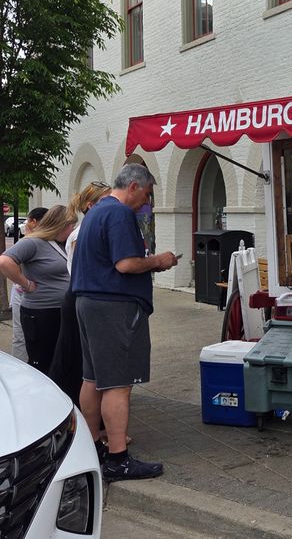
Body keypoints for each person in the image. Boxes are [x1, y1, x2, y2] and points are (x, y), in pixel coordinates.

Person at [72, 164, 178, 482]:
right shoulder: (119, 214)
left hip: (88, 302)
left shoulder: (95, 212)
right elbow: (126, 263)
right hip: (113, 306)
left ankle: (92, 448)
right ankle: (118, 459)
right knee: (118, 384)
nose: (146, 203)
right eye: (146, 194)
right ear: (133, 186)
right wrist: (160, 261)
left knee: (92, 379)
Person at [48, 181, 112, 405]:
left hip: (85, 296)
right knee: (75, 359)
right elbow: (82, 270)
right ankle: (69, 407)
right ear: (90, 205)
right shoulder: (80, 234)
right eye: (105, 200)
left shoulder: (93, 230)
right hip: (79, 297)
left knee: (83, 359)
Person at [0, 206, 76, 373]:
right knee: (43, 361)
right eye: (71, 225)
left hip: (58, 311)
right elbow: (4, 261)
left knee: (59, 362)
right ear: (60, 225)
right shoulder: (33, 242)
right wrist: (26, 283)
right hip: (41, 313)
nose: (72, 229)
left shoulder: (58, 244)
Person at [6, 207, 48, 361]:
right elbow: (8, 262)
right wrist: (26, 284)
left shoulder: (42, 241)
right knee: (21, 336)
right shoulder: (28, 241)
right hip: (23, 293)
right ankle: (20, 370)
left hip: (32, 295)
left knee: (26, 336)